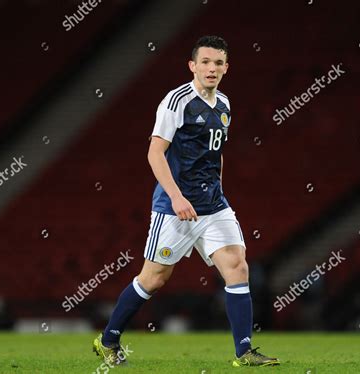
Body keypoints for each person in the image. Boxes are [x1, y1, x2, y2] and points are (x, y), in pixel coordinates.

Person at [93, 35, 280, 368]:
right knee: (154, 278)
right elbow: (155, 152)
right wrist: (177, 197)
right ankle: (108, 339)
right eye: (205, 62)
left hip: (213, 205)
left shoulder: (223, 103)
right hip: (174, 207)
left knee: (237, 267)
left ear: (226, 68)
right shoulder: (176, 101)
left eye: (218, 63)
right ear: (192, 66)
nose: (212, 68)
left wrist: (218, 192)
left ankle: (244, 352)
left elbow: (215, 153)